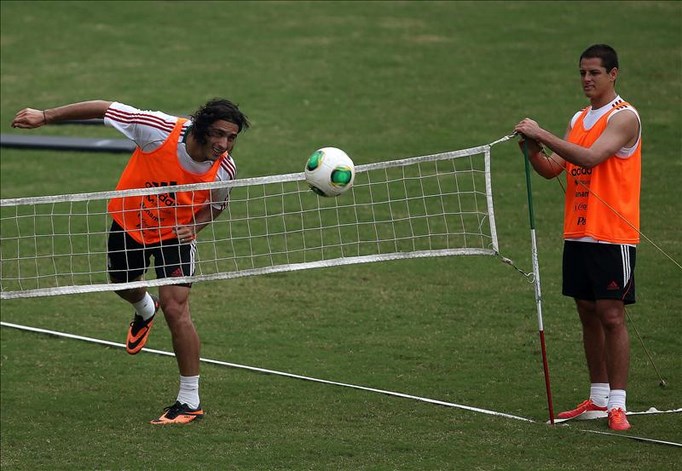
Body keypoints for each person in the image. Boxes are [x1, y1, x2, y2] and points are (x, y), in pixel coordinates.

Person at [11, 98, 250, 424]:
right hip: (129, 224)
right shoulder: (157, 130)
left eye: (231, 138)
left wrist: (194, 225)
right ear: (201, 127)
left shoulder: (224, 169)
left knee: (177, 308)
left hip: (175, 237)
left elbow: (218, 205)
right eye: (218, 134)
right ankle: (144, 309)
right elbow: (103, 108)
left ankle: (189, 399)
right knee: (122, 285)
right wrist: (45, 116)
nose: (224, 145)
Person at [514, 44, 641, 431]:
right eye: (583, 73)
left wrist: (542, 133)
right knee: (587, 312)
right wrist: (533, 150)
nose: (587, 79)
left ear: (613, 74)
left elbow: (589, 158)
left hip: (612, 233)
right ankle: (598, 398)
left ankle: (618, 404)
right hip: (579, 231)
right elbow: (556, 169)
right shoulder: (579, 118)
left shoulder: (625, 118)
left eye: (595, 73)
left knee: (612, 315)